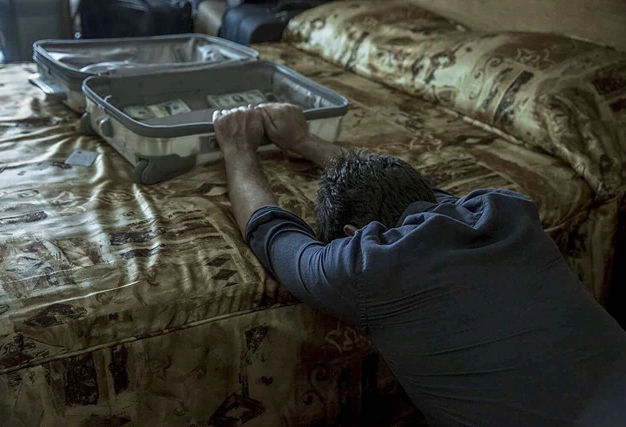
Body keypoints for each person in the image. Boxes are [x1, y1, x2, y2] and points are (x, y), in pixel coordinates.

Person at [212, 103, 626, 427]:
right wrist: (304, 140)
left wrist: (237, 147)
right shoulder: (506, 209)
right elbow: (417, 189)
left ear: (353, 234)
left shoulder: (367, 266)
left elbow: (270, 229)